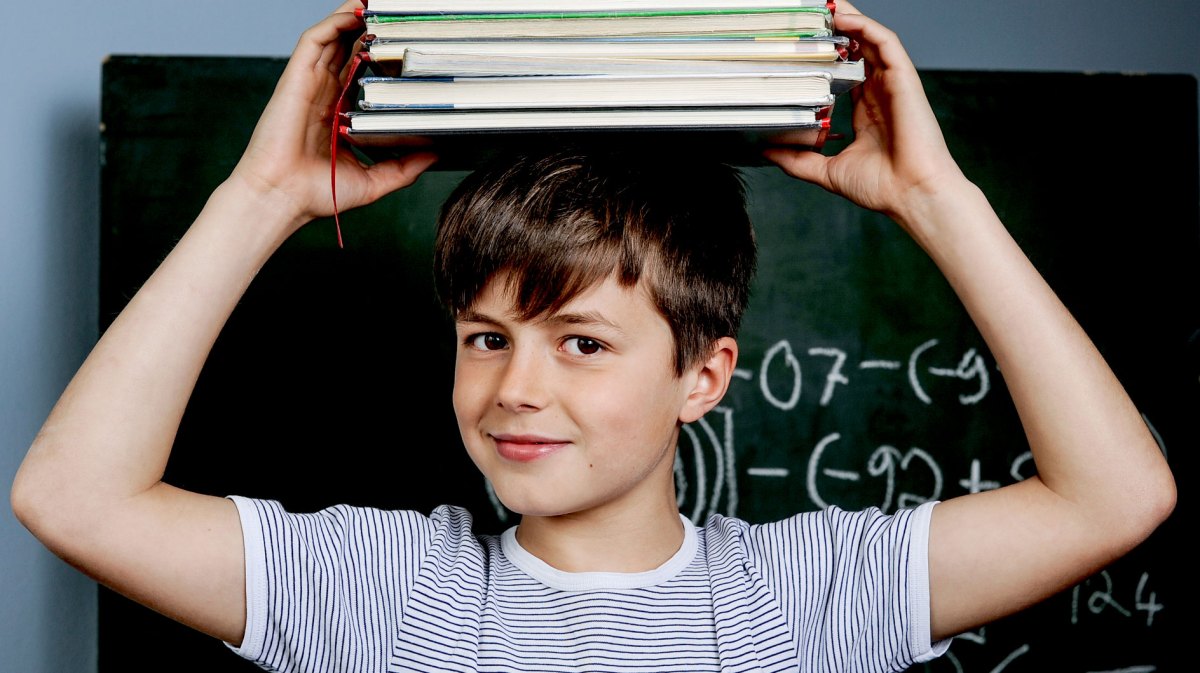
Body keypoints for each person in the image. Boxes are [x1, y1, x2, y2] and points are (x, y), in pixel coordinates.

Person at [11, 1, 1175, 671]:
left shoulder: (811, 593)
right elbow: (75, 501)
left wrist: (938, 202)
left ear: (701, 376)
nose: (515, 387)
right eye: (484, 336)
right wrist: (260, 198)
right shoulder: (388, 589)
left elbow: (1113, 497)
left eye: (582, 343)